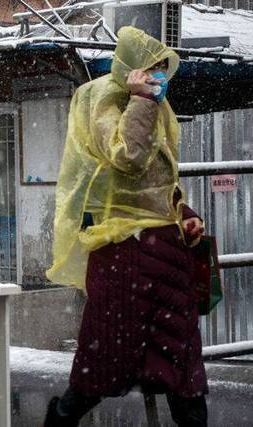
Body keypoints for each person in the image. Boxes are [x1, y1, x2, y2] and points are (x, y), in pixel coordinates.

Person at [44, 27, 208, 426]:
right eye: (149, 67)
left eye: (160, 69)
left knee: (181, 365)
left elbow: (159, 180)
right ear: (130, 66)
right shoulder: (102, 99)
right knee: (104, 361)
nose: (156, 75)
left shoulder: (156, 106)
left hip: (165, 251)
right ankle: (60, 419)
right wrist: (140, 100)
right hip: (123, 253)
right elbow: (128, 156)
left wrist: (184, 213)